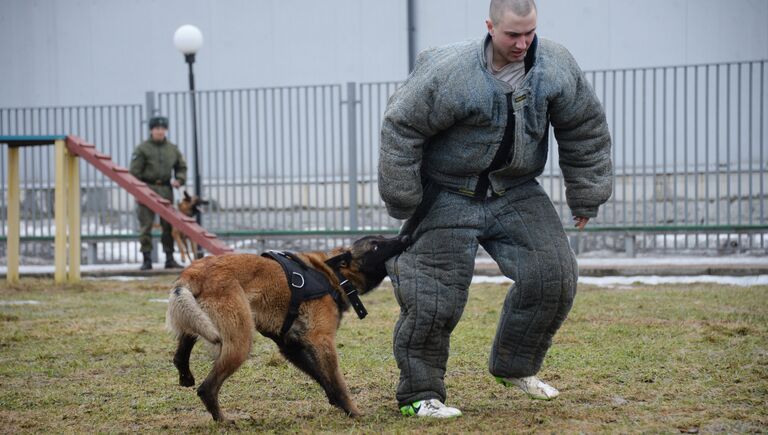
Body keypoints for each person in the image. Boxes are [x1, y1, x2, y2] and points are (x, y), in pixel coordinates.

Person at [378, 0, 613, 418]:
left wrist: (587, 193)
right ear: (490, 26)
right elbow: (402, 126)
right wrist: (403, 197)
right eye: (512, 35)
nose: (522, 43)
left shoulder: (556, 66)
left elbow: (585, 128)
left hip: (515, 189)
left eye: (529, 33)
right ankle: (420, 394)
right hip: (447, 191)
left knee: (553, 276)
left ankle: (515, 366)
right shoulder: (450, 71)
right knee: (433, 298)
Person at [130, 116, 188, 270]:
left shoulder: (172, 149)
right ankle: (146, 259)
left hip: (165, 190)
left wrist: (180, 180)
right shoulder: (142, 149)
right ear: (151, 130)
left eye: (163, 128)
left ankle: (169, 258)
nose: (160, 131)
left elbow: (181, 167)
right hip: (146, 189)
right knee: (146, 226)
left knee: (168, 226)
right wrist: (138, 191)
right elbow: (134, 172)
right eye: (157, 128)